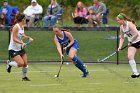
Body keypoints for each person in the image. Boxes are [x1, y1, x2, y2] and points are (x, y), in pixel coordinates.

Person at [7, 13, 33, 81]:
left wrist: (28, 37)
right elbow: (14, 39)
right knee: (21, 63)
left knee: (25, 63)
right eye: (25, 18)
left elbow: (22, 35)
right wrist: (22, 43)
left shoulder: (22, 26)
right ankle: (9, 64)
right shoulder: (16, 27)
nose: (26, 19)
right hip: (13, 49)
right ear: (23, 19)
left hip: (20, 48)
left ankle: (24, 77)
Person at [117, 13, 140, 78]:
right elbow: (122, 38)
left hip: (138, 41)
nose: (117, 21)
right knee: (130, 56)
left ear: (123, 20)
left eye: (118, 20)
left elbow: (136, 34)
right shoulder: (121, 27)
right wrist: (120, 47)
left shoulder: (130, 24)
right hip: (132, 43)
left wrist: (130, 41)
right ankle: (135, 73)